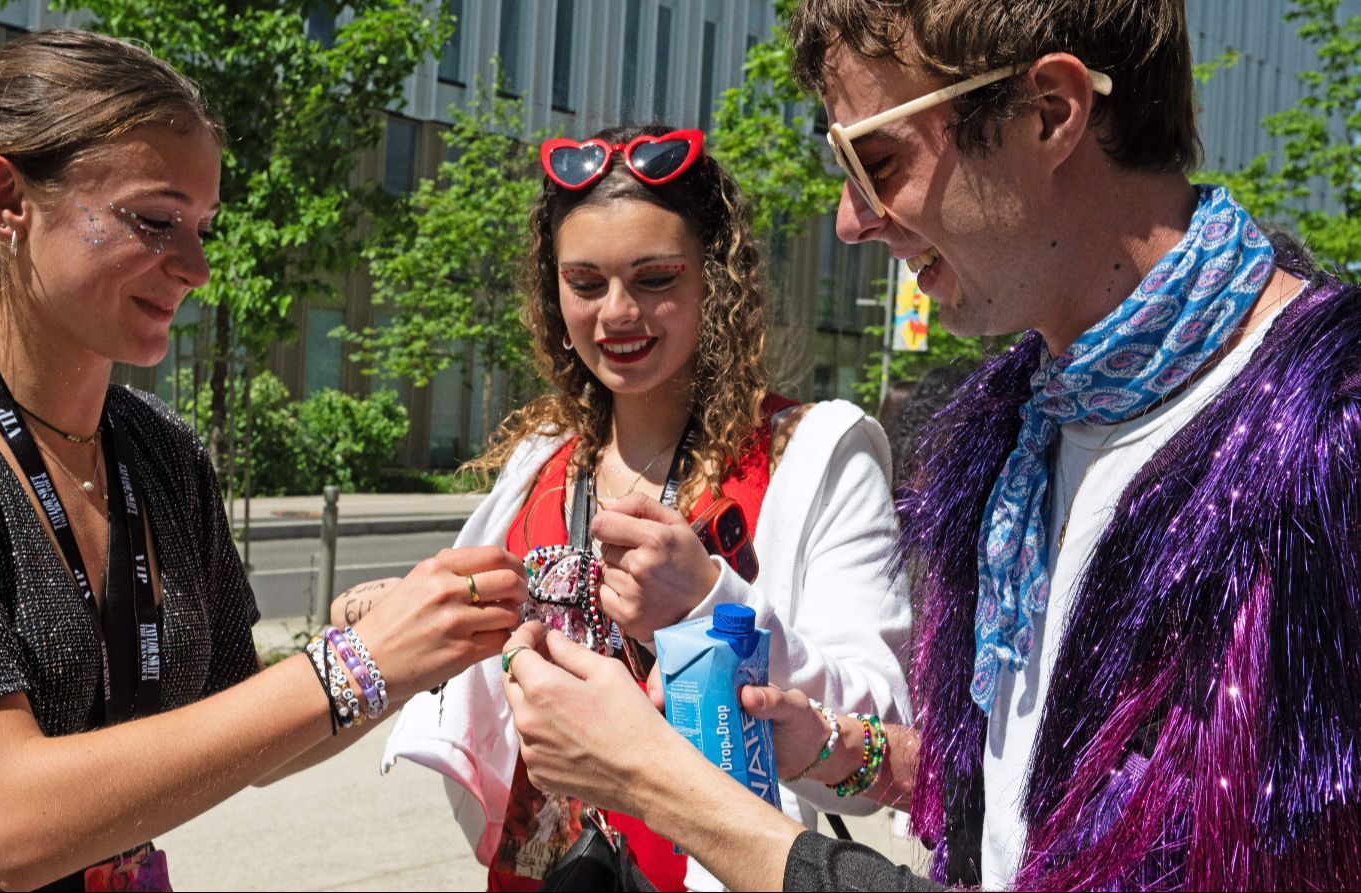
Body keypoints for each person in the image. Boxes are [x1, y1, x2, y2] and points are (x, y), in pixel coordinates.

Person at [498, 0, 1361, 890]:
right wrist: (853, 751)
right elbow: (1028, 802)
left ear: (1049, 113)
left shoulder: (1329, 434)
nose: (850, 219)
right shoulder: (1013, 433)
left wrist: (662, 786)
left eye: (876, 161)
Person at [0, 30, 525, 891]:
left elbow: (243, 735)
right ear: (5, 198)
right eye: (155, 222)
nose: (197, 267)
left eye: (202, 227)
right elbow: (11, 824)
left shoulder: (159, 447)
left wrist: (412, 645)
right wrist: (354, 665)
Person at [343, 124, 912, 892]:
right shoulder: (541, 459)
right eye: (584, 282)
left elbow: (880, 727)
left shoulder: (814, 453)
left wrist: (707, 604)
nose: (616, 312)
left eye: (654, 278)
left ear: (715, 280)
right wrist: (411, 611)